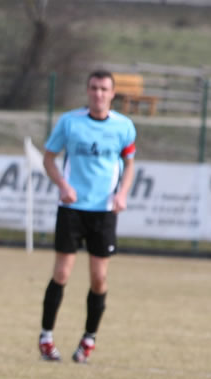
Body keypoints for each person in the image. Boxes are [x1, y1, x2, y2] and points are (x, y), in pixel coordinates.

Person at [38, 69, 136, 363]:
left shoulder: (124, 127)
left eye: (104, 89)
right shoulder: (70, 122)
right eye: (94, 88)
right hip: (72, 208)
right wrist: (63, 186)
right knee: (62, 273)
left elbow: (129, 163)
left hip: (103, 212)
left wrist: (122, 194)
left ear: (112, 93)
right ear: (87, 91)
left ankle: (88, 339)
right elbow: (48, 158)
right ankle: (46, 337)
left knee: (99, 278)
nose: (98, 94)